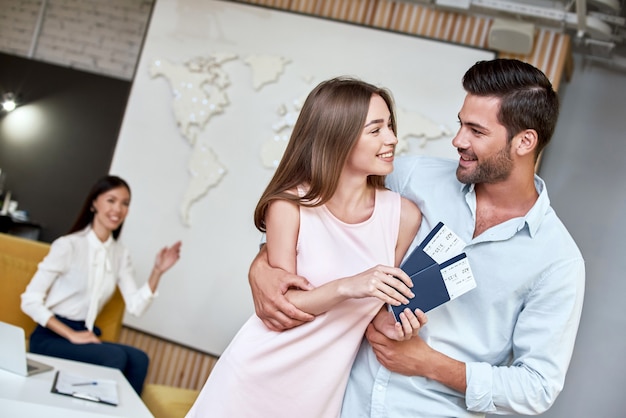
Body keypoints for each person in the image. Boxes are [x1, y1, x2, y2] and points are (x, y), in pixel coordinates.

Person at [248, 59, 586, 417]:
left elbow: (537, 387)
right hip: (338, 401)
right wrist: (261, 267)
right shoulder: (411, 178)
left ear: (524, 142)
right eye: (461, 124)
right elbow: (314, 222)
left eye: (476, 131)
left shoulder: (558, 261)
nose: (458, 140)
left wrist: (428, 363)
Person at [186, 77, 426, 418]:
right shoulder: (289, 205)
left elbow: (374, 312)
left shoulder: (403, 216)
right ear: (337, 136)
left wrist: (391, 325)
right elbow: (282, 309)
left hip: (318, 395)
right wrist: (348, 286)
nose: (391, 139)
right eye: (376, 130)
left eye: (389, 126)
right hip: (252, 379)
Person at [21, 175, 181, 395]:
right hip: (52, 336)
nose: (118, 209)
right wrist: (71, 334)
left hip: (85, 335)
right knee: (114, 357)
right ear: (95, 203)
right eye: (111, 200)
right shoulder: (68, 246)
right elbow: (29, 300)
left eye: (125, 203)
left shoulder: (120, 254)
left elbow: (136, 306)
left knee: (139, 359)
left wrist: (157, 272)